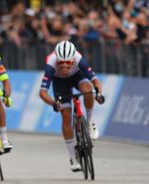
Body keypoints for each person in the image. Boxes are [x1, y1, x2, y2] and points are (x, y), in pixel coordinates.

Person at [39, 40, 105, 172]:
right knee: (66, 114)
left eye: (68, 63)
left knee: (87, 89)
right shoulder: (50, 63)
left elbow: (95, 81)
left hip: (76, 77)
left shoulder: (78, 58)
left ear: (72, 60)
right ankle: (72, 157)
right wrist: (54, 103)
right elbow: (42, 93)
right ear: (56, 60)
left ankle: (90, 122)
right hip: (59, 83)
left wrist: (98, 94)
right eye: (61, 64)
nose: (64, 68)